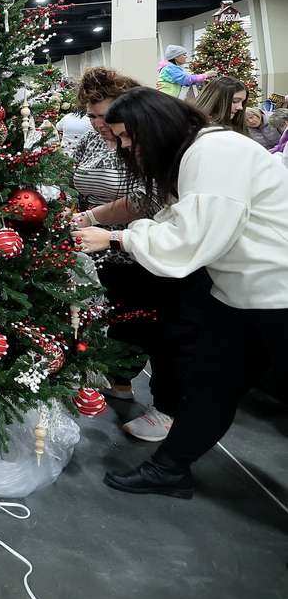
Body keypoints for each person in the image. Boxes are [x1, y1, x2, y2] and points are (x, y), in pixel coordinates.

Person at [73, 88, 288, 498]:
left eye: (126, 137)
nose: (124, 147)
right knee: (212, 383)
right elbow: (177, 216)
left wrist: (116, 239)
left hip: (277, 294)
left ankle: (170, 466)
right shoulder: (192, 155)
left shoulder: (215, 152)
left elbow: (190, 238)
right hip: (240, 293)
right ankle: (170, 468)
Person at [67, 69, 202, 441]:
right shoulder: (93, 142)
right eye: (92, 116)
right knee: (118, 319)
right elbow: (72, 175)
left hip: (142, 246)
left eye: (106, 115)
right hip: (100, 245)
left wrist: (96, 218)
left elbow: (148, 198)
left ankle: (166, 406)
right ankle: (120, 380)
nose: (99, 124)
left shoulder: (149, 147)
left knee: (158, 329)